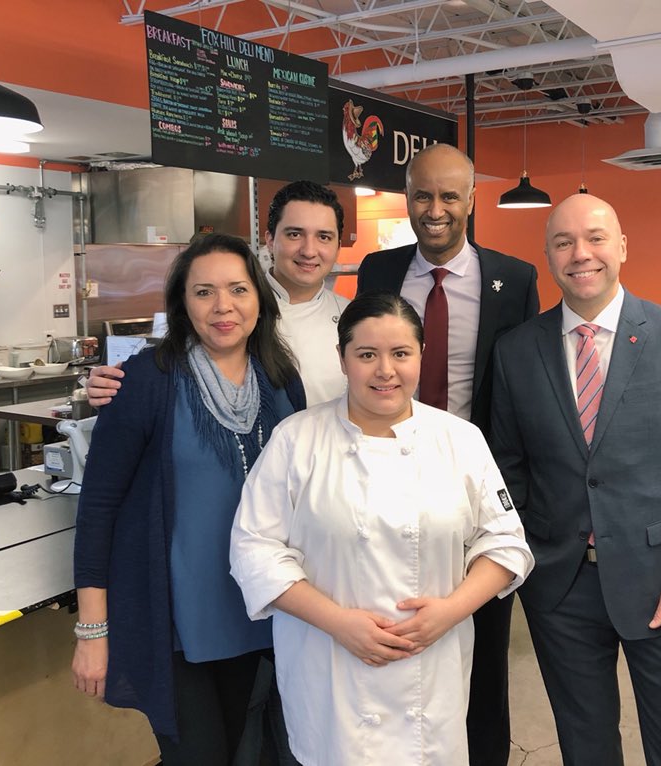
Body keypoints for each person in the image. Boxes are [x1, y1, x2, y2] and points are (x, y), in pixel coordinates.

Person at [229, 292, 534, 766]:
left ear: (421, 356)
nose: (384, 370)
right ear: (343, 359)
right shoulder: (297, 440)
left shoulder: (459, 439)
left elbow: (506, 543)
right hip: (331, 665)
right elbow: (254, 551)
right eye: (367, 354)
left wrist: (450, 612)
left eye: (400, 353)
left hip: (430, 668)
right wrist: (339, 623)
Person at [490, 193, 661, 765]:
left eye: (596, 237)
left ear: (622, 246)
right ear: (548, 254)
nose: (581, 254)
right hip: (561, 588)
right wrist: (530, 562)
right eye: (563, 241)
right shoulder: (517, 351)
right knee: (585, 745)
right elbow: (507, 468)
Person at [71, 233, 305, 765]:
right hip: (177, 621)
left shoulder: (282, 380)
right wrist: (92, 630)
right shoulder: (145, 381)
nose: (223, 307)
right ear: (182, 304)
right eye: (204, 292)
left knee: (249, 751)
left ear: (259, 300)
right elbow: (99, 509)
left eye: (238, 290)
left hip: (262, 610)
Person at [355, 142, 538, 765]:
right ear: (407, 199)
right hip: (385, 484)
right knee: (395, 633)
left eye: (449, 196)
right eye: (422, 196)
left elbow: (526, 386)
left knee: (483, 651)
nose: (435, 210)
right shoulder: (377, 273)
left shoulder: (514, 281)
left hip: (470, 491)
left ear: (472, 201)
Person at [87, 180, 349, 407]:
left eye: (324, 237)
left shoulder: (354, 317)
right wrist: (114, 383)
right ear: (269, 240)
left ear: (338, 244)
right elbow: (169, 361)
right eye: (294, 234)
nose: (309, 250)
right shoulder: (227, 311)